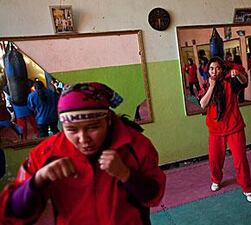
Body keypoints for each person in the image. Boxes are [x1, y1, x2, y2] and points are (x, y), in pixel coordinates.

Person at [0, 82, 166, 225]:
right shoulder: (45, 153)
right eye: (71, 129)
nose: (83, 139)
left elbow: (155, 195)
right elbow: (13, 213)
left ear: (108, 120)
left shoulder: (136, 145)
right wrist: (38, 180)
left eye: (93, 127)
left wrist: (127, 175)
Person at [200, 57, 251, 203]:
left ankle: (247, 188)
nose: (214, 71)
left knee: (240, 159)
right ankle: (216, 179)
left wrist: (237, 74)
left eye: (217, 68)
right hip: (215, 129)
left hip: (234, 127)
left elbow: (244, 82)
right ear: (209, 70)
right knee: (214, 159)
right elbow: (202, 104)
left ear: (222, 69)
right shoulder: (207, 84)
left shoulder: (230, 82)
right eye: (212, 68)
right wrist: (211, 87)